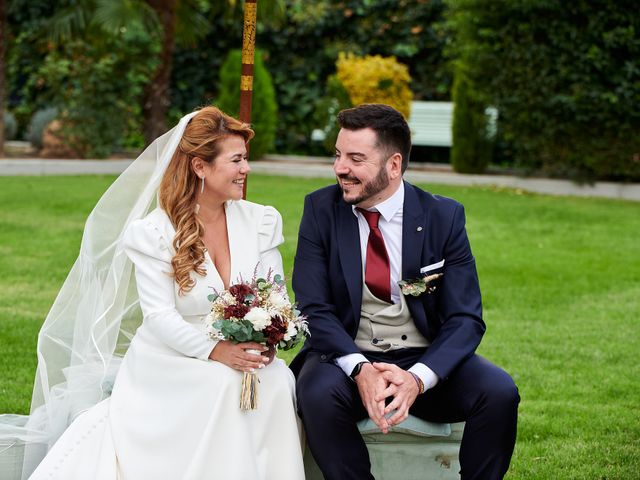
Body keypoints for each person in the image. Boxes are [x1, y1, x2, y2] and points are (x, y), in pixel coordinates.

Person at [1, 106, 304, 479]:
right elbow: (159, 317)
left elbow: (276, 294)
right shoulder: (154, 233)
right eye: (237, 160)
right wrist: (217, 351)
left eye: (246, 159)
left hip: (244, 354)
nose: (247, 169)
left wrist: (269, 334)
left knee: (277, 380)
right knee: (223, 384)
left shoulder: (260, 221)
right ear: (200, 167)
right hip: (172, 356)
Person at [290, 103, 520, 479]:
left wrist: (418, 378)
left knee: (498, 392)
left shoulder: (442, 217)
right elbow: (314, 307)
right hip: (344, 357)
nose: (339, 168)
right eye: (337, 155)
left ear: (393, 165)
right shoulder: (320, 209)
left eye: (355, 158)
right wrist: (360, 369)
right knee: (317, 394)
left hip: (423, 356)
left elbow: (465, 318)